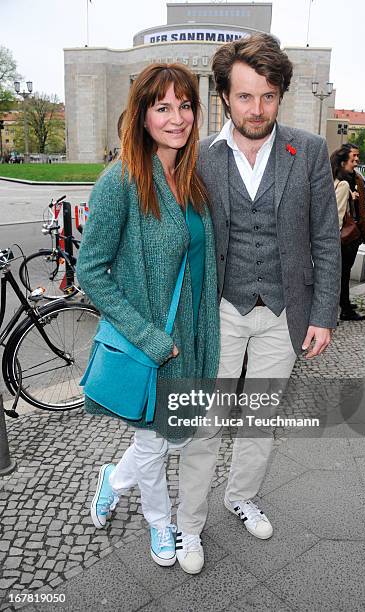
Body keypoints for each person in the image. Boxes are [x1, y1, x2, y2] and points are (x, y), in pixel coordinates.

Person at [175, 33, 341, 573]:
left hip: (283, 313)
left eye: (268, 96)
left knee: (261, 420)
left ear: (280, 95)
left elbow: (323, 237)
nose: (257, 109)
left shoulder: (309, 150)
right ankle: (188, 525)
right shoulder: (198, 157)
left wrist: (322, 315)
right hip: (219, 310)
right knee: (206, 422)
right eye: (245, 96)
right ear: (225, 95)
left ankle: (240, 497)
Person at [76, 64, 219, 568]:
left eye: (185, 106)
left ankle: (111, 479)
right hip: (153, 343)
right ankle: (161, 527)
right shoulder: (122, 180)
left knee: (165, 438)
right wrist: (147, 335)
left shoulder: (192, 178)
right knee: (154, 444)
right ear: (141, 115)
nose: (176, 118)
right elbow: (90, 269)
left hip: (192, 339)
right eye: (162, 107)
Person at [330, 145, 365, 321]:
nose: (357, 161)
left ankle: (344, 304)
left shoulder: (335, 179)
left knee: (341, 274)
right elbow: (337, 215)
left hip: (343, 236)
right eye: (354, 157)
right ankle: (343, 308)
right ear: (344, 161)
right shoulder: (343, 183)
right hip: (344, 238)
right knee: (342, 275)